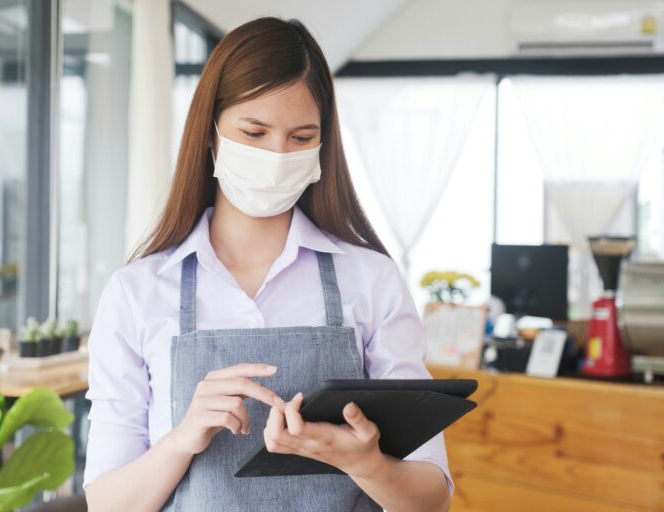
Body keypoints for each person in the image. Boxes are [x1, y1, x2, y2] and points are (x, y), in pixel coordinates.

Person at [83, 16, 452, 512]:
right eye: (254, 132)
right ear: (211, 133)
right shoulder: (138, 292)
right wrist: (182, 439)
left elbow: (431, 498)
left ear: (323, 146)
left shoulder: (371, 281)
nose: (277, 155)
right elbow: (106, 504)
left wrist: (367, 463)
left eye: (301, 138)